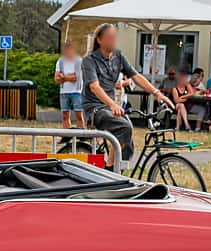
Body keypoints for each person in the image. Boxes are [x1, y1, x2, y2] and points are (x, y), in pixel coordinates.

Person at [79, 22, 169, 166]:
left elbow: (136, 76)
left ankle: (118, 169)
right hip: (94, 108)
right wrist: (113, 104)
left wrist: (156, 92)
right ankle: (111, 169)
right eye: (109, 37)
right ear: (99, 40)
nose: (113, 40)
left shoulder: (118, 56)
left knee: (128, 135)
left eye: (114, 37)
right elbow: (95, 87)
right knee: (124, 127)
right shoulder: (89, 60)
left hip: (110, 107)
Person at [54, 40, 84, 129]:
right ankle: (67, 135)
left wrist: (64, 77)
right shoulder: (60, 61)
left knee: (79, 115)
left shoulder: (79, 61)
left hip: (77, 91)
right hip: (64, 92)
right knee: (65, 116)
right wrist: (69, 77)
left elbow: (77, 78)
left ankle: (81, 135)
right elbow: (56, 78)